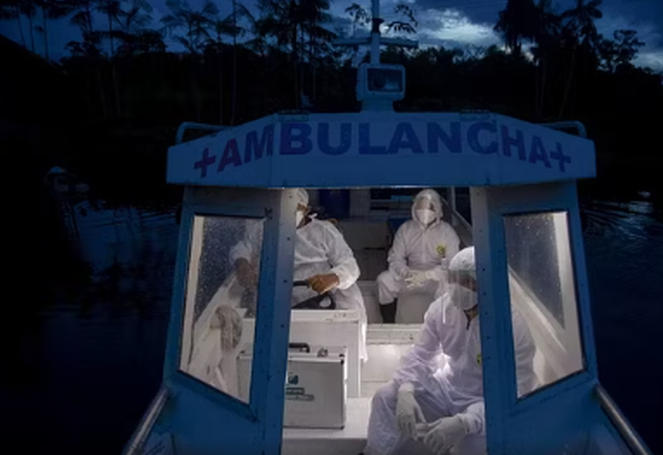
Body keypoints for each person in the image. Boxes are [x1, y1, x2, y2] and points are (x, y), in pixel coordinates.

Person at [364, 247, 538, 455]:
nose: (457, 287)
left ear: (487, 282)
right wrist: (406, 389)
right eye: (454, 279)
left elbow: (517, 392)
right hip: (446, 388)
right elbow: (421, 354)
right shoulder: (442, 309)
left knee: (474, 447)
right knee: (385, 398)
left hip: (482, 400)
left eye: (466, 281)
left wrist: (468, 421)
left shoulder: (512, 327)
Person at [230, 188, 367, 357]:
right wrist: (242, 264)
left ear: (306, 210)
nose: (288, 212)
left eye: (294, 208)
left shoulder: (324, 232)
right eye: (282, 207)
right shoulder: (263, 229)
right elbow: (242, 247)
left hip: (326, 301)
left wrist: (332, 278)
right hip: (283, 302)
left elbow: (351, 266)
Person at [376, 189, 461, 323]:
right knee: (384, 281)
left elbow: (452, 264)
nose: (424, 211)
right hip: (410, 276)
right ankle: (389, 322)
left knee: (449, 287)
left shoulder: (447, 232)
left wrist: (429, 274)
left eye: (430, 208)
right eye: (420, 208)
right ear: (414, 208)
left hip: (434, 279)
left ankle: (444, 325)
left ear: (437, 209)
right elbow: (395, 258)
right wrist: (405, 272)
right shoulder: (406, 229)